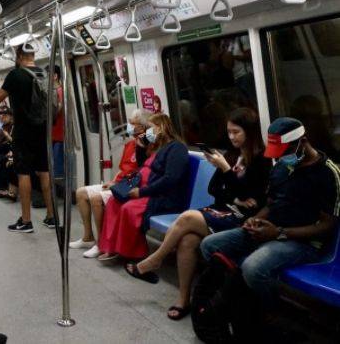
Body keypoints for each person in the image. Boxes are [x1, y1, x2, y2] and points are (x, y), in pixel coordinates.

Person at [133, 108, 271, 320]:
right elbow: (214, 189)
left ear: (250, 132)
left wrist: (227, 171)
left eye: (236, 132)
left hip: (242, 219)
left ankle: (155, 259)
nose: (232, 137)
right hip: (225, 209)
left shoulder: (262, 160)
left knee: (188, 217)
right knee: (187, 240)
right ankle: (183, 300)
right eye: (229, 132)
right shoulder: (231, 155)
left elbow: (252, 199)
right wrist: (235, 197)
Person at [200, 117, 340, 315]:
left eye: (285, 152)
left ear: (303, 142)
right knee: (209, 245)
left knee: (252, 267)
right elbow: (272, 203)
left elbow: (327, 225)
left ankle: (273, 314)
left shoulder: (327, 173)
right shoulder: (281, 167)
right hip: (270, 230)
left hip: (304, 243)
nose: (281, 158)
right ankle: (240, 300)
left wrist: (279, 233)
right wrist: (256, 219)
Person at [98, 114, 189, 276]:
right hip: (147, 189)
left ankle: (134, 254)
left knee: (129, 208)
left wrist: (141, 192)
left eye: (151, 128)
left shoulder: (177, 148)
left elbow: (170, 179)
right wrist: (141, 144)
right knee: (114, 201)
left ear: (162, 128)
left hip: (162, 196)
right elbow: (141, 167)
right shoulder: (158, 146)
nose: (148, 132)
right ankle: (111, 247)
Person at [0, 45, 55, 232]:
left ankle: (26, 221)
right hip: (43, 130)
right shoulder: (44, 73)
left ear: (19, 56)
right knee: (45, 172)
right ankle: (52, 217)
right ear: (33, 55)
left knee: (24, 173)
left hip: (23, 132)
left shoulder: (16, 75)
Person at [69, 109, 151, 258]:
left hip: (129, 186)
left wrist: (116, 185)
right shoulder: (130, 144)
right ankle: (88, 237)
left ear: (142, 127)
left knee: (96, 199)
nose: (129, 126)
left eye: (133, 123)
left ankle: (101, 244)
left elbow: (140, 175)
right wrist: (113, 181)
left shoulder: (147, 148)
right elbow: (122, 169)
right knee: (81, 193)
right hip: (119, 183)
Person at [49, 65, 64, 179]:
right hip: (54, 134)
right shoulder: (53, 92)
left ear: (55, 76)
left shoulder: (60, 91)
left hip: (59, 134)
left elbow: (59, 109)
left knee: (57, 170)